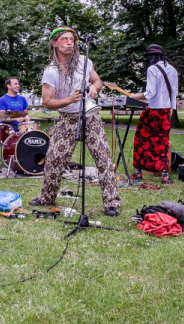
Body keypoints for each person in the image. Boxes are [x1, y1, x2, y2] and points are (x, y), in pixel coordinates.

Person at [28, 26, 121, 216]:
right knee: (54, 159)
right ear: (54, 43)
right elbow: (47, 102)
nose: (69, 42)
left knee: (103, 159)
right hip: (66, 119)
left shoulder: (84, 62)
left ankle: (112, 203)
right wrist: (68, 100)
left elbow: (97, 81)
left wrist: (95, 88)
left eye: (72, 39)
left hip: (90, 117)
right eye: (64, 39)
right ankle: (47, 197)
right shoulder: (51, 71)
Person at [128, 44, 178, 184]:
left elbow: (150, 93)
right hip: (165, 112)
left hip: (152, 111)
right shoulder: (172, 69)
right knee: (163, 141)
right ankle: (164, 175)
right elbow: (174, 93)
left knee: (141, 140)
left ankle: (138, 172)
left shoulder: (152, 69)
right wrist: (170, 110)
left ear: (150, 58)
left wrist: (134, 96)